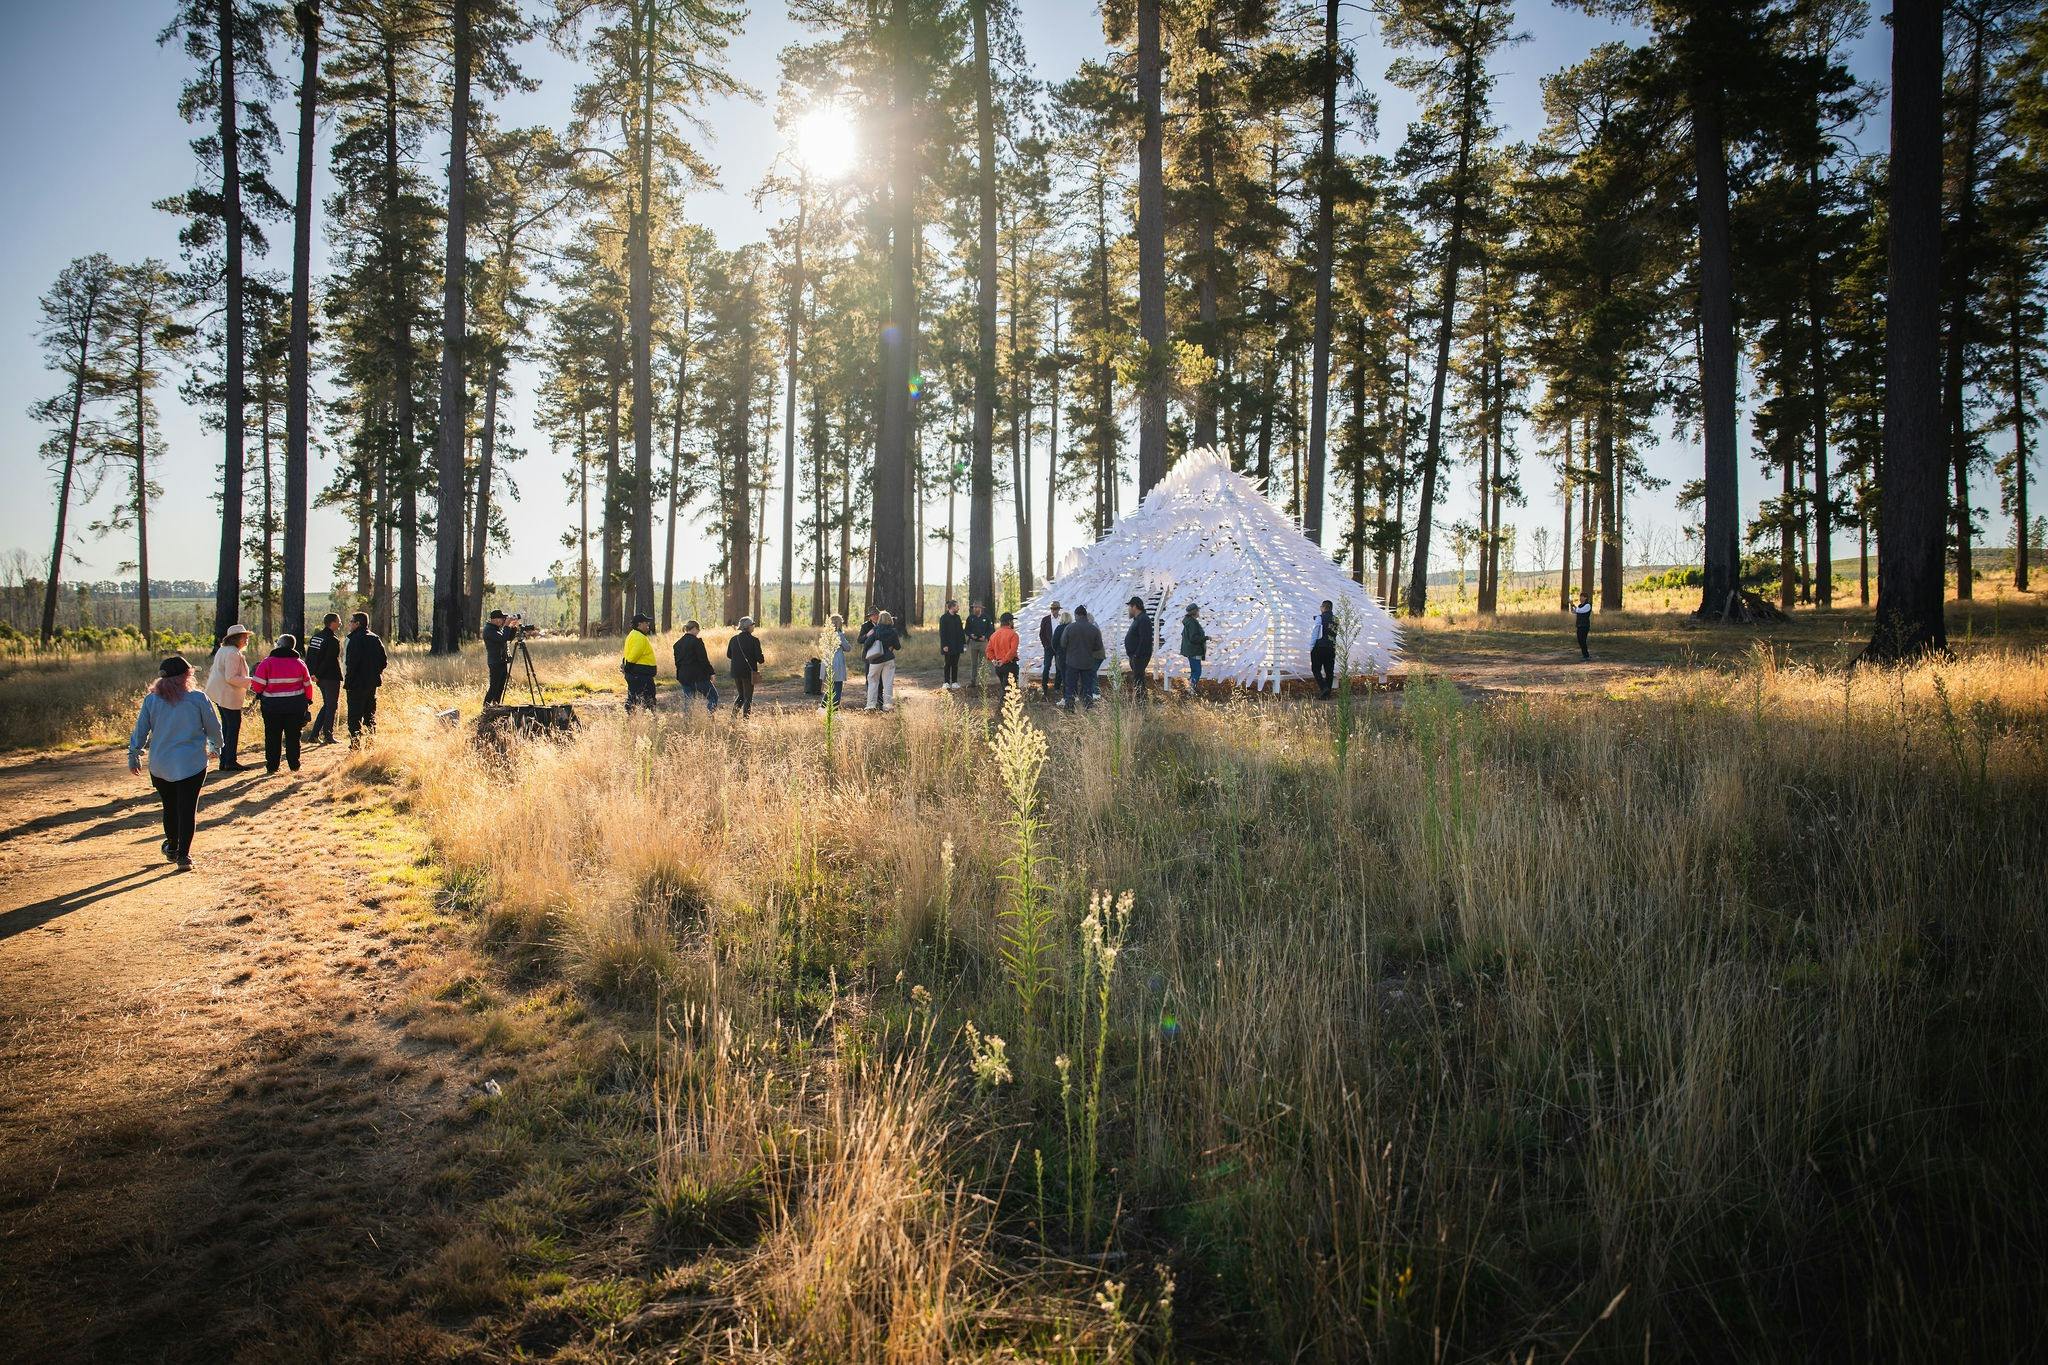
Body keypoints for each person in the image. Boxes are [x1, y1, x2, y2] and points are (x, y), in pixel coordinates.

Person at [128, 655, 222, 873]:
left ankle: (172, 846)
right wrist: (216, 747)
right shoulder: (197, 698)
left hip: (161, 764)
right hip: (192, 763)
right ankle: (183, 856)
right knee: (187, 809)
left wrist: (134, 754)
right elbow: (213, 727)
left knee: (170, 807)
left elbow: (141, 730)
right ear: (185, 676)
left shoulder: (151, 700)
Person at [250, 633, 314, 774]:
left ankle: (272, 767)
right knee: (293, 736)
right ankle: (294, 765)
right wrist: (308, 700)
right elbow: (308, 685)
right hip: (295, 707)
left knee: (272, 737)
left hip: (272, 707)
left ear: (279, 645)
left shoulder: (267, 663)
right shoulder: (299, 663)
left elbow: (257, 686)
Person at [204, 624, 253, 772]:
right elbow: (231, 677)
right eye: (244, 637)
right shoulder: (233, 653)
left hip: (219, 693)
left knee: (227, 727)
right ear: (236, 638)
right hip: (227, 694)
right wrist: (252, 681)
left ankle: (225, 760)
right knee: (232, 727)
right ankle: (230, 761)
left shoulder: (224, 650)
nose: (246, 640)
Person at [343, 612, 386, 744]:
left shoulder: (353, 639)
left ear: (357, 623)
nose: (349, 624)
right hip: (371, 684)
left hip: (355, 685)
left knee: (354, 717)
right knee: (370, 715)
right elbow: (383, 661)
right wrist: (374, 673)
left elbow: (350, 664)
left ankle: (355, 746)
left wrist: (348, 682)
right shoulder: (375, 638)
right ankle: (370, 744)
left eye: (351, 621)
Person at [303, 611, 343, 744]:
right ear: (332, 623)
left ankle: (314, 735)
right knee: (331, 706)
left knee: (327, 705)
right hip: (330, 677)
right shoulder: (332, 639)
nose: (340, 623)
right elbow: (329, 660)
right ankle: (328, 735)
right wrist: (318, 674)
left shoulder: (316, 637)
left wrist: (312, 674)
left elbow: (310, 656)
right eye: (338, 621)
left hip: (318, 677)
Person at [1061, 605, 1105, 710]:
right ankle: (1088, 707)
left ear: (1076, 615)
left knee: (1071, 687)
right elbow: (1098, 646)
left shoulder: (1069, 627)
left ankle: (1070, 707)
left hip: (1072, 662)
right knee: (1087, 687)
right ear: (1085, 615)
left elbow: (1063, 643)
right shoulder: (1094, 629)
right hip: (1087, 662)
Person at [672, 620, 718, 712]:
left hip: (684, 676)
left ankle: (688, 723)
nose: (698, 632)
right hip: (698, 676)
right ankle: (709, 718)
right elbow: (703, 660)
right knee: (713, 697)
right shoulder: (697, 642)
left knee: (689, 701)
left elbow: (677, 662)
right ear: (694, 629)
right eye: (698, 629)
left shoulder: (677, 644)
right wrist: (711, 673)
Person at [863, 609, 902, 711]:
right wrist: (891, 646)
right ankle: (887, 705)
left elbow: (867, 643)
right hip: (889, 659)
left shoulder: (876, 631)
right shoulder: (893, 631)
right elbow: (898, 647)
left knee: (872, 681)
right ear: (890, 619)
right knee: (888, 683)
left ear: (880, 619)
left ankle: (871, 705)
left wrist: (867, 653)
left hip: (876, 660)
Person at [726, 616, 766, 716]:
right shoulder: (754, 640)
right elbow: (760, 660)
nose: (754, 626)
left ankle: (733, 718)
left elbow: (729, 655)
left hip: (736, 672)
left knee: (741, 696)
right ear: (748, 627)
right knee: (748, 697)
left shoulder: (734, 639)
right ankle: (745, 722)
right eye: (753, 624)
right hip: (748, 672)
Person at [622, 613, 659, 710]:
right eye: (646, 623)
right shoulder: (639, 637)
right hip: (641, 676)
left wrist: (626, 669)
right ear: (639, 624)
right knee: (647, 700)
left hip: (637, 675)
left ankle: (633, 720)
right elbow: (633, 655)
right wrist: (628, 668)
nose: (648, 625)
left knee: (634, 699)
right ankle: (647, 720)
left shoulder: (632, 635)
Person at [1123, 596, 1154, 698]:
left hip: (1140, 657)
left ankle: (1141, 704)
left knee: (1139, 681)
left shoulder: (1143, 619)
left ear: (1134, 607)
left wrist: (1137, 655)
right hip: (1136, 656)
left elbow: (1145, 639)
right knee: (1138, 680)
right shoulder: (1138, 619)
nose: (1129, 609)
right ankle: (1140, 703)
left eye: (1129, 607)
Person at [1309, 600, 1339, 699]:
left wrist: (1312, 646)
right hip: (1331, 647)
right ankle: (1327, 694)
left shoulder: (1319, 618)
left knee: (1316, 669)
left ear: (1324, 607)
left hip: (1319, 646)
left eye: (1321, 607)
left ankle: (1323, 687)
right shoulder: (1336, 620)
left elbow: (1316, 632)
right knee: (1329, 670)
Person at [986, 611, 1020, 700]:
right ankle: (1001, 712)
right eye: (1012, 621)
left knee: (1004, 688)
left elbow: (988, 650)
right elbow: (1012, 651)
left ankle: (1004, 711)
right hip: (1010, 665)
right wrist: (1004, 661)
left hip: (999, 667)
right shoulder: (1013, 634)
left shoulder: (994, 635)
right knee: (1009, 692)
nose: (1013, 623)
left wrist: (994, 661)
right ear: (1009, 622)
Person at [482, 609, 512, 706]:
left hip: (502, 661)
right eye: (502, 619)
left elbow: (508, 638)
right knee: (494, 687)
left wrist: (513, 627)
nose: (503, 621)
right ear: (495, 619)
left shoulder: (496, 629)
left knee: (500, 686)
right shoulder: (489, 630)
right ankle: (486, 706)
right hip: (495, 662)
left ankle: (496, 705)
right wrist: (507, 626)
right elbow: (502, 638)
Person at [964, 601, 994, 690]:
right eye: (974, 607)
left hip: (983, 643)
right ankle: (973, 681)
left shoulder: (986, 618)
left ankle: (983, 681)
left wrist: (985, 636)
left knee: (983, 662)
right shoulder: (970, 618)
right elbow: (966, 630)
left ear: (981, 608)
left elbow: (991, 629)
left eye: (977, 607)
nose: (975, 609)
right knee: (974, 663)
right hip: (973, 642)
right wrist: (970, 635)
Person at [938, 600, 966, 690]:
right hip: (948, 646)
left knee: (955, 664)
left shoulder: (958, 618)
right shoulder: (944, 618)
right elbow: (942, 633)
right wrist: (944, 645)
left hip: (957, 645)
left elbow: (961, 632)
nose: (958, 608)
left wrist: (964, 644)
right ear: (952, 607)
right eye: (957, 606)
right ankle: (946, 682)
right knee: (947, 664)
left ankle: (954, 682)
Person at [1179, 603, 1207, 693]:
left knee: (1194, 670)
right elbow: (1194, 638)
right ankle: (1190, 690)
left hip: (1191, 650)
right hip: (1194, 650)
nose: (1199, 612)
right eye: (1198, 610)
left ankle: (1190, 689)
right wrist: (1205, 638)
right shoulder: (1192, 623)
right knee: (1197, 671)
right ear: (1195, 612)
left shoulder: (1188, 621)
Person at [824, 613, 850, 707]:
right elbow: (847, 648)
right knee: (838, 688)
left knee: (830, 687)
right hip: (837, 662)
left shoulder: (826, 635)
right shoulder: (839, 635)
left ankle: (822, 707)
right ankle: (834, 710)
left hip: (827, 661)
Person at [1045, 602, 1069, 699]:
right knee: (1047, 666)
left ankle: (1057, 687)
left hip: (1059, 648)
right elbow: (1042, 633)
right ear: (1051, 609)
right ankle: (1044, 687)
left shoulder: (1062, 619)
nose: (1055, 610)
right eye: (1053, 609)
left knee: (1060, 667)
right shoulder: (1046, 619)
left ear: (1059, 609)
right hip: (1049, 647)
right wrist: (1046, 645)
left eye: (1056, 609)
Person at [1574, 593, 1593, 661]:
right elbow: (1575, 611)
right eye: (1580, 597)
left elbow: (1580, 611)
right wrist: (1572, 606)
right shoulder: (1580, 605)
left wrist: (1573, 605)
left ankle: (1586, 655)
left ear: (1586, 598)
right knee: (1580, 640)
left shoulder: (1588, 605)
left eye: (1582, 597)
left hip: (1585, 625)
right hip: (1579, 625)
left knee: (1583, 640)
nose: (1580, 598)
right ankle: (1584, 654)